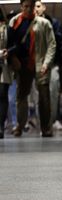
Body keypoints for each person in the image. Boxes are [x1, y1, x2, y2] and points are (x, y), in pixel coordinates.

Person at [8, 0, 56, 137]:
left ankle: (46, 127)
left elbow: (52, 44)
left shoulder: (44, 23)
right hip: (23, 65)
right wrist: (13, 58)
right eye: (26, 6)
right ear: (21, 6)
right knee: (21, 96)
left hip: (40, 64)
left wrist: (47, 63)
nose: (29, 9)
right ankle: (20, 125)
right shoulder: (15, 22)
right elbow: (10, 42)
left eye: (31, 6)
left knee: (44, 97)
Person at [34, 0, 62, 130]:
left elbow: (57, 45)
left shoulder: (54, 23)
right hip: (34, 66)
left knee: (52, 94)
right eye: (35, 6)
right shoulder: (30, 25)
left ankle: (51, 121)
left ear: (44, 8)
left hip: (52, 65)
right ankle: (43, 123)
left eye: (39, 6)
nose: (36, 9)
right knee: (37, 97)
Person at [0, 8, 13, 139]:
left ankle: (1, 127)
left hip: (4, 66)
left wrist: (8, 51)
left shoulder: (7, 29)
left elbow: (14, 44)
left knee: (3, 96)